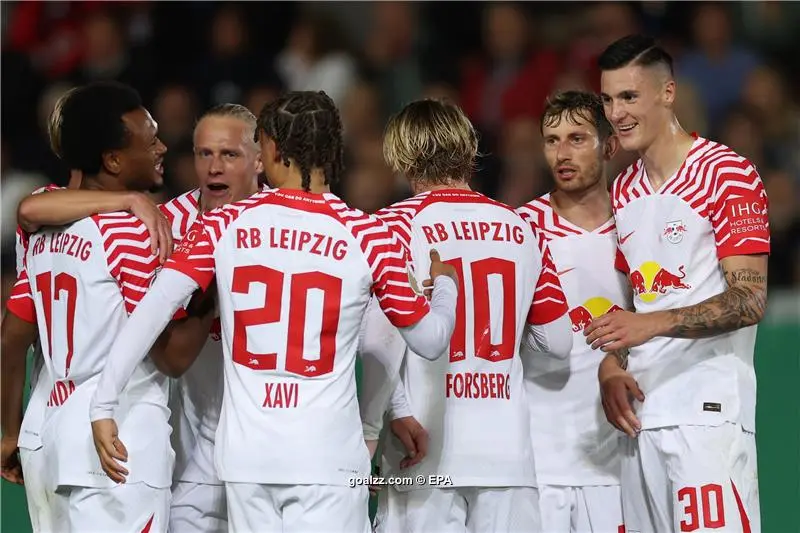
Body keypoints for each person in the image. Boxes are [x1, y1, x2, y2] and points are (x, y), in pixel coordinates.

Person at [87, 90, 459, 533]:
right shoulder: (369, 234)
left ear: (275, 149)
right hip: (328, 461)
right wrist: (446, 285)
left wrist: (103, 402)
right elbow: (430, 340)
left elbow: (155, 308)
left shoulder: (223, 223)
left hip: (248, 462)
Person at [5, 81, 214, 533]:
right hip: (118, 441)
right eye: (149, 138)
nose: (161, 146)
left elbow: (12, 335)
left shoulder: (42, 222)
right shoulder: (130, 234)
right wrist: (215, 295)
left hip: (46, 432)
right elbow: (171, 356)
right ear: (113, 160)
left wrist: (7, 430)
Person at [367, 98, 573, 533]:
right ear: (467, 149)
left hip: (423, 449)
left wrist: (386, 416)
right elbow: (557, 342)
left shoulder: (391, 226)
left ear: (402, 156)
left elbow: (378, 341)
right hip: (506, 451)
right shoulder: (523, 227)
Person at [589, 35, 769, 532]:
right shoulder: (623, 190)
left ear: (667, 93)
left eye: (629, 97)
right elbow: (631, 308)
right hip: (641, 423)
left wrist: (649, 325)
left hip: (706, 416)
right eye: (607, 100)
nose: (616, 113)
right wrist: (611, 364)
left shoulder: (726, 173)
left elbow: (749, 299)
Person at [516, 90, 628, 533]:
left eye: (577, 138)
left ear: (610, 145)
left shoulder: (639, 227)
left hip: (620, 464)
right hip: (540, 466)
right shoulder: (521, 230)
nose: (561, 153)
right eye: (551, 140)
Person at [165, 103, 263, 533]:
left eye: (229, 154)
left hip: (270, 459)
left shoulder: (293, 224)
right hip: (191, 463)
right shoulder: (165, 226)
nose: (213, 168)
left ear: (259, 159)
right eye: (204, 154)